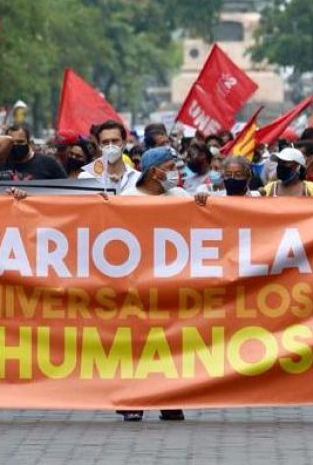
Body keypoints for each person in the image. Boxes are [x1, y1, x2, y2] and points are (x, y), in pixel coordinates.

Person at [118, 146, 186, 421]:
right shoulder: (127, 199)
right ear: (153, 171)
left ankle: (170, 398)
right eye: (170, 167)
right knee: (136, 344)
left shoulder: (181, 196)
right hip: (136, 284)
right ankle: (134, 400)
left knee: (170, 343)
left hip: (172, 283)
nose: (174, 173)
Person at [0, 124, 66, 181]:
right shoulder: (0, 163)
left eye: (20, 142)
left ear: (29, 143)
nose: (15, 145)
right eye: (11, 142)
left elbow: (65, 188)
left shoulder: (49, 163)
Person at [81, 120, 141, 194]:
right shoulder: (86, 177)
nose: (110, 146)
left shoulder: (138, 179)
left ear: (124, 143)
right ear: (99, 145)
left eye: (115, 141)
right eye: (105, 142)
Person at [194, 155, 261, 204]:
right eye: (228, 175)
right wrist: (202, 199)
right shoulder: (217, 201)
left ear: (248, 178)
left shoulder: (258, 199)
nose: (232, 178)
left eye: (238, 175)